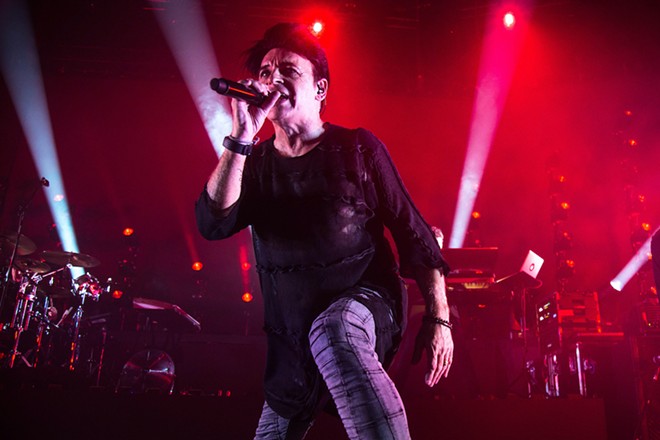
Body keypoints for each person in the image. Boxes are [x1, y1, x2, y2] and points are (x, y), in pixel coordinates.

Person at [196, 23, 453, 440]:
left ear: (319, 89)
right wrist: (242, 137)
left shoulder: (358, 149)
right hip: (292, 333)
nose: (271, 79)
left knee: (334, 329)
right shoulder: (254, 163)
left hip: (367, 305)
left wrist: (439, 319)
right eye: (264, 72)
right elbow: (212, 222)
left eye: (287, 71)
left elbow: (416, 236)